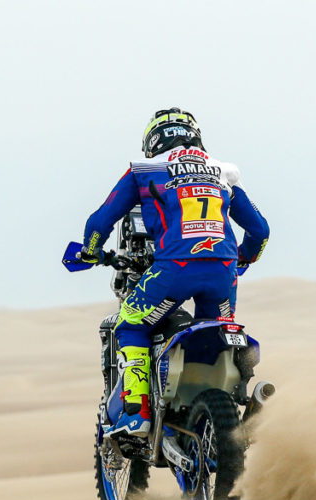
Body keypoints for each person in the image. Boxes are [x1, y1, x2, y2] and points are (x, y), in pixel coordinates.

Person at [78, 108, 269, 436]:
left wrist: (90, 250)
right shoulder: (220, 172)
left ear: (152, 143)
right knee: (218, 335)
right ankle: (240, 400)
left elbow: (100, 221)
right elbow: (261, 230)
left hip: (173, 269)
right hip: (223, 273)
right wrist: (242, 259)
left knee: (130, 324)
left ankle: (135, 409)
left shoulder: (145, 171)